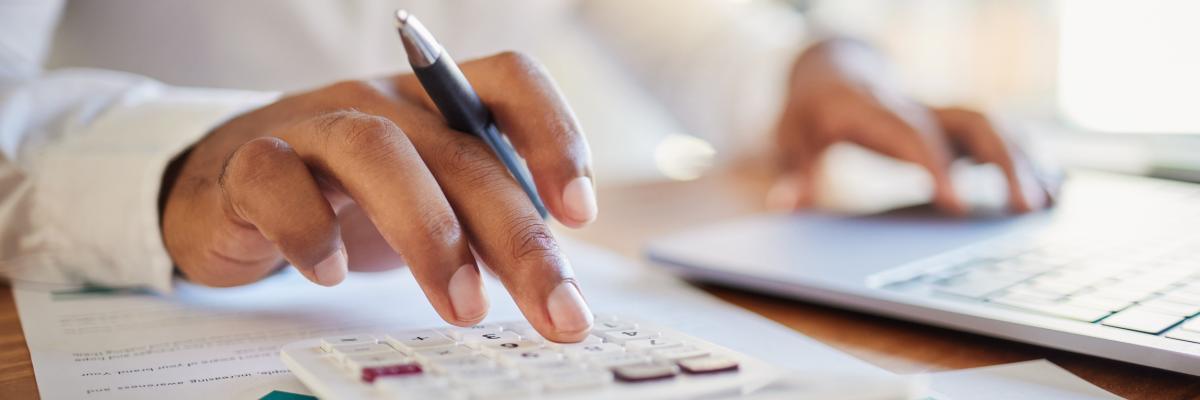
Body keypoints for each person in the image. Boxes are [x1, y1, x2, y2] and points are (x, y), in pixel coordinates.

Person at [0, 0, 1053, 343]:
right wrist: (166, 169)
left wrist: (815, 65)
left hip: (628, 268)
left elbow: (690, 36)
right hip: (208, 296)